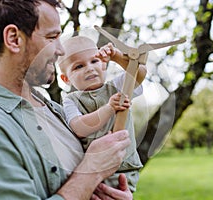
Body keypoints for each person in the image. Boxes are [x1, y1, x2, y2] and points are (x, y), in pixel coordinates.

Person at [0, 0, 134, 199]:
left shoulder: (55, 111)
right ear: (13, 39)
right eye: (52, 37)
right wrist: (91, 171)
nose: (61, 50)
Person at [57, 36, 147, 192]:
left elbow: (139, 72)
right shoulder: (70, 100)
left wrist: (116, 56)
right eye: (78, 66)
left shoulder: (117, 86)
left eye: (94, 61)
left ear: (104, 64)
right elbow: (79, 127)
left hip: (125, 166)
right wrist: (109, 108)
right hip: (96, 171)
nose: (89, 68)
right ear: (66, 79)